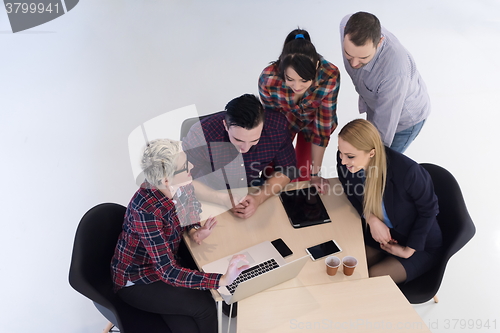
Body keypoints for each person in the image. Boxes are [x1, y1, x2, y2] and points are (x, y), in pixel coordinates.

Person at [111, 138, 249, 333]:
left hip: (166, 262)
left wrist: (194, 230)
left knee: (192, 319)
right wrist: (222, 280)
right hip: (139, 279)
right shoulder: (146, 211)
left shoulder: (180, 184)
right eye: (185, 166)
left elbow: (191, 206)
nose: (191, 166)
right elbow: (167, 271)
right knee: (206, 308)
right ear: (166, 180)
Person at [336, 119, 442, 284]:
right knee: (348, 267)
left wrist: (408, 250)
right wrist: (370, 218)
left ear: (371, 153)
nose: (342, 161)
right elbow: (350, 189)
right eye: (340, 153)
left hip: (418, 246)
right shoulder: (347, 160)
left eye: (349, 156)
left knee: (372, 278)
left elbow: (429, 211)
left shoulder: (408, 172)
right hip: (383, 238)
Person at [182, 94, 297, 219]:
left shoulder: (277, 126)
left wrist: (259, 197)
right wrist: (222, 199)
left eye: (254, 140)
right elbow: (180, 180)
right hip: (209, 194)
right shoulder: (201, 134)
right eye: (238, 139)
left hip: (251, 190)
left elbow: (287, 169)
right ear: (226, 125)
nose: (245, 149)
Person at [259, 28, 340, 192]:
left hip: (313, 123)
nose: (297, 87)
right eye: (290, 79)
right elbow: (273, 126)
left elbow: (323, 127)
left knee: (303, 174)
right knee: (274, 173)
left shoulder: (329, 75)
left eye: (304, 80)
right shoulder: (268, 79)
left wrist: (315, 174)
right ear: (282, 68)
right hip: (283, 123)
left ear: (316, 66)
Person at [340, 12, 430, 153]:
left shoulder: (394, 72)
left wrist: (373, 159)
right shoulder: (346, 25)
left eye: (363, 57)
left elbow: (382, 133)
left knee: (382, 166)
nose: (354, 63)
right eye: (348, 55)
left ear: (380, 42)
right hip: (376, 105)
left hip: (403, 121)